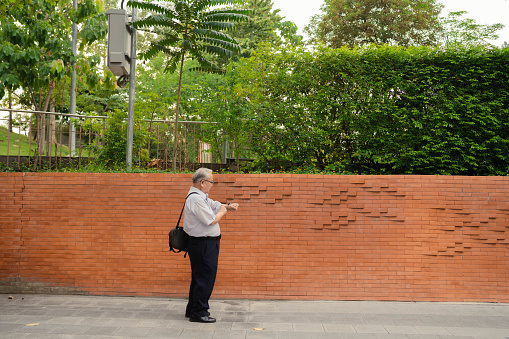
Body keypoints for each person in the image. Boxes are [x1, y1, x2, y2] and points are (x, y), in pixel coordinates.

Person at [183, 168, 239, 323]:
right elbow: (210, 219)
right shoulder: (196, 199)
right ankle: (199, 312)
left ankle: (192, 309)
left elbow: (213, 204)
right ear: (202, 182)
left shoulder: (201, 197)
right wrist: (223, 212)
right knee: (205, 278)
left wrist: (226, 206)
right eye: (211, 182)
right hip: (203, 244)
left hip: (203, 243)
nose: (212, 184)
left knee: (199, 278)